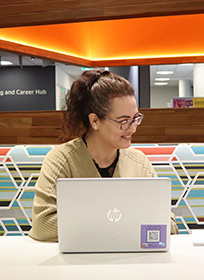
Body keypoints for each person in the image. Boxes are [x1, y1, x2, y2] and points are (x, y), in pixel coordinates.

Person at [29, 70, 178, 241]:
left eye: (135, 118)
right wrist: (121, 222)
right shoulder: (62, 160)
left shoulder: (139, 163)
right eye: (123, 121)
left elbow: (169, 224)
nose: (132, 128)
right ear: (95, 121)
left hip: (129, 260)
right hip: (78, 262)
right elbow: (42, 225)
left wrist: (92, 223)